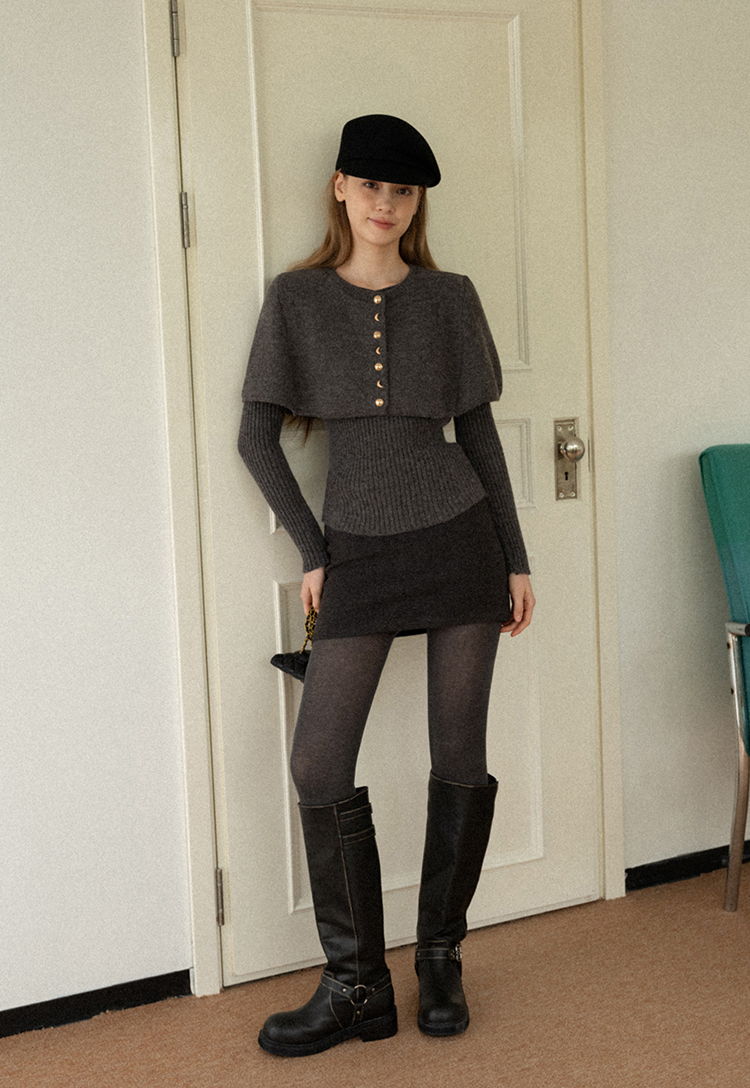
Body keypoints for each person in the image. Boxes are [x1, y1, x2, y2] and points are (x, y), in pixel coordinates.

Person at [238, 114, 535, 1058]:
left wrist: (516, 557)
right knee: (318, 764)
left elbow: (477, 435)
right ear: (340, 187)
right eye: (370, 185)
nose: (386, 203)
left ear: (416, 204)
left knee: (460, 754)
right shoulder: (296, 300)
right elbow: (255, 437)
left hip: (460, 543)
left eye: (403, 191)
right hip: (359, 554)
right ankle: (356, 985)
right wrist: (314, 549)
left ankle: (439, 956)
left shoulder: (450, 297)